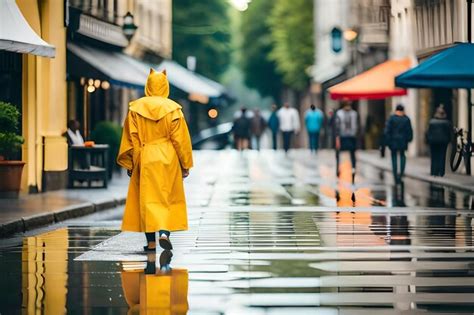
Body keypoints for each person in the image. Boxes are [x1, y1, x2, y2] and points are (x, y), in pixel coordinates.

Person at [117, 68, 193, 252]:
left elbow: (131, 137)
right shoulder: (174, 110)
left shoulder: (135, 109)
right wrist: (185, 164)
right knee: (167, 199)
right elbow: (181, 140)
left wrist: (131, 163)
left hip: (146, 155)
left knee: (147, 200)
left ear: (148, 85)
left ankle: (150, 242)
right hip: (168, 158)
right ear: (165, 85)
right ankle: (165, 233)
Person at [384, 104, 413, 183]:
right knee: (402, 156)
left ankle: (395, 174)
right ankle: (401, 173)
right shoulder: (406, 119)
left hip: (393, 141)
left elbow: (387, 130)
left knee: (394, 157)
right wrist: (409, 139)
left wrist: (387, 140)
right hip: (403, 140)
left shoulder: (391, 119)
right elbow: (409, 130)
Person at [335, 101, 358, 178]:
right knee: (340, 153)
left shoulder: (353, 113)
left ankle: (353, 168)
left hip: (350, 136)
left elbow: (357, 125)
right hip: (344, 136)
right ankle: (339, 168)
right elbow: (337, 126)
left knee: (352, 153)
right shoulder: (340, 113)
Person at [426, 105, 452, 176]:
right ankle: (441, 172)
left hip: (433, 142)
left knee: (434, 157)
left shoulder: (432, 122)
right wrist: (449, 140)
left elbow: (428, 132)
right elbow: (449, 133)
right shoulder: (447, 123)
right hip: (443, 142)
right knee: (442, 156)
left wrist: (428, 140)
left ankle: (433, 171)